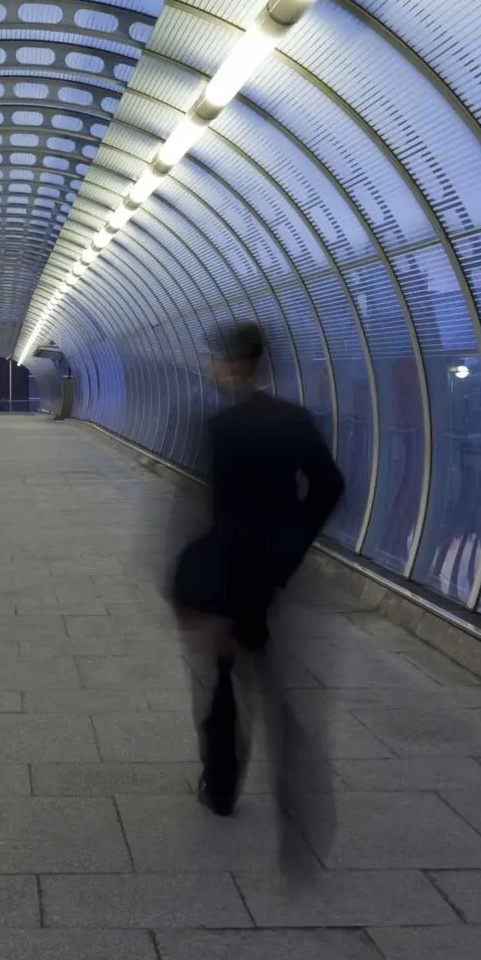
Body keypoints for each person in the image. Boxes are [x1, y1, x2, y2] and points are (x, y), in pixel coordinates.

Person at [168, 321, 345, 870]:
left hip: (228, 578)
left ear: (229, 364)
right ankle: (301, 803)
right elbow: (330, 486)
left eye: (215, 360)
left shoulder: (220, 426)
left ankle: (220, 788)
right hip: (272, 578)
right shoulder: (294, 421)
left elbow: (209, 513)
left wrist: (187, 584)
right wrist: (291, 547)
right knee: (276, 687)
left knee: (223, 687)